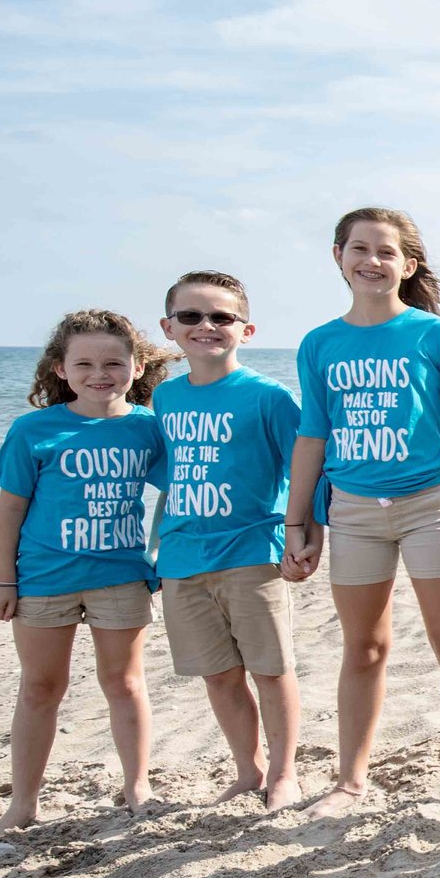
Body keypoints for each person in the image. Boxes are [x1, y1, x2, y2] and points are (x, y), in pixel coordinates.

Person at [284, 207, 440, 819]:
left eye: (386, 252)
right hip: (351, 512)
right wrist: (297, 521)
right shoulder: (320, 343)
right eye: (359, 249)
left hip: (428, 506)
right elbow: (311, 436)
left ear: (407, 266)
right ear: (339, 256)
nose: (371, 261)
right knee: (364, 648)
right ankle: (350, 781)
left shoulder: (435, 336)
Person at [0, 309, 172, 831]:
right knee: (41, 688)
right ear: (61, 369)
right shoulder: (33, 431)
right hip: (43, 579)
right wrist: (3, 579)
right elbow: (10, 510)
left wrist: (170, 556)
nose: (99, 373)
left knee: (125, 683)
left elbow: (185, 488)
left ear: (136, 366)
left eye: (114, 362)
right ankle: (23, 804)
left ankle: (137, 786)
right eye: (84, 363)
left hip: (122, 576)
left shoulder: (149, 428)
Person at [153, 271, 306, 810]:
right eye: (191, 316)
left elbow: (305, 471)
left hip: (251, 553)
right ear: (169, 328)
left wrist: (303, 536)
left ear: (247, 329)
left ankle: (284, 774)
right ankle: (249, 770)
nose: (207, 326)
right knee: (217, 675)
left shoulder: (268, 397)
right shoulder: (165, 397)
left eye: (222, 317)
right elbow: (167, 470)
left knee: (270, 668)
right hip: (181, 558)